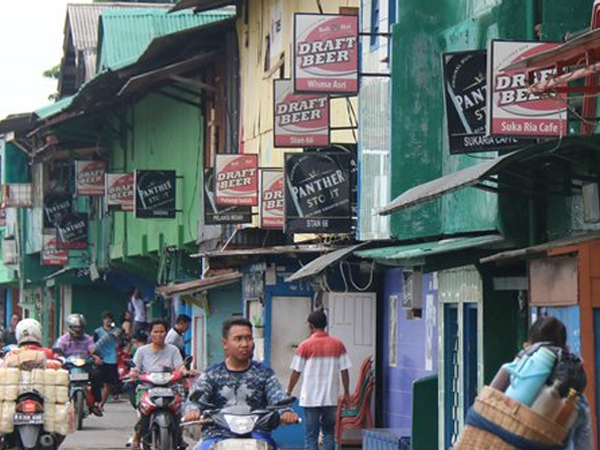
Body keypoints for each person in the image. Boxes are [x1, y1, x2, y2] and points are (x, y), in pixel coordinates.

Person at [183, 317, 298, 450]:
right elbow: (196, 398)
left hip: (257, 434)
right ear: (225, 343)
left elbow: (278, 396)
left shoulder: (264, 373)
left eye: (248, 338)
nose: (244, 344)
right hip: (217, 435)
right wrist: (192, 410)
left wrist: (286, 411)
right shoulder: (211, 374)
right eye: (238, 339)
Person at [287, 310, 351, 450]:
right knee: (328, 433)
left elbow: (296, 372)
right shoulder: (338, 345)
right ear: (326, 324)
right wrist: (346, 393)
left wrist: (289, 390)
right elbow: (345, 371)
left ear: (310, 326)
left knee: (311, 435)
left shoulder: (305, 346)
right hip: (330, 397)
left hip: (310, 399)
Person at [526, 316, 592, 450]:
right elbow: (584, 443)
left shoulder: (517, 383)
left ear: (527, 346)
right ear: (566, 349)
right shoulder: (575, 396)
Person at [129, 319, 191, 450]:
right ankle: (137, 435)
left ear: (166, 333)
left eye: (162, 331)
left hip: (170, 387)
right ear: (150, 333)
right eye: (155, 331)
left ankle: (179, 437)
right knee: (143, 411)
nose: (159, 334)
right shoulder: (142, 351)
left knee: (178, 409)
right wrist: (133, 373)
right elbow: (134, 368)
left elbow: (180, 367)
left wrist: (186, 372)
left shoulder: (173, 350)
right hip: (146, 387)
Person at [54, 313, 104, 416]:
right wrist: (58, 358)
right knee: (57, 378)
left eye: (80, 327)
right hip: (68, 366)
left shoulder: (87, 338)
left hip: (85, 365)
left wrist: (96, 357)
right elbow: (57, 352)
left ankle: (95, 403)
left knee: (97, 375)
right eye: (75, 327)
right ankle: (57, 402)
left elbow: (92, 349)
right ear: (70, 327)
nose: (77, 329)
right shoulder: (64, 339)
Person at [93, 311, 122, 409]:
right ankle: (96, 402)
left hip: (112, 359)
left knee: (108, 383)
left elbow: (121, 343)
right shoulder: (98, 331)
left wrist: (119, 338)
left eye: (109, 319)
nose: (108, 321)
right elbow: (93, 345)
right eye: (106, 318)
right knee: (97, 380)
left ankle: (102, 403)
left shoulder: (117, 330)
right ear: (103, 320)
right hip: (100, 358)